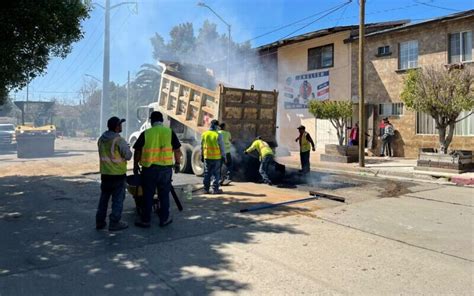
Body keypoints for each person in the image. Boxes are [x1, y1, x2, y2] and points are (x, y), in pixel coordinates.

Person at [133, 111, 182, 228]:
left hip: (149, 170)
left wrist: (135, 166)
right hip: (165, 170)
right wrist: (178, 164)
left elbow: (138, 151)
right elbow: (177, 150)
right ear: (162, 121)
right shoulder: (170, 132)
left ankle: (146, 220)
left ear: (151, 121)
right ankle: (164, 219)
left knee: (147, 195)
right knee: (164, 195)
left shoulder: (146, 133)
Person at [96, 116, 132, 231]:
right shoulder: (119, 140)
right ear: (116, 127)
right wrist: (127, 148)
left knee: (104, 200)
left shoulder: (101, 139)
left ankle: (100, 222)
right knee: (117, 200)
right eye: (120, 124)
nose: (121, 126)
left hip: (105, 175)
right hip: (118, 176)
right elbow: (128, 156)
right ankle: (114, 223)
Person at [201, 119, 225, 194]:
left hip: (207, 157)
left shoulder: (204, 134)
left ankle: (206, 189)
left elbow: (201, 146)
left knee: (207, 173)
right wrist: (224, 156)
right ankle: (215, 189)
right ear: (217, 126)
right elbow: (222, 146)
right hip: (216, 158)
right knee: (216, 174)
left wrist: (201, 155)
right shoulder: (218, 134)